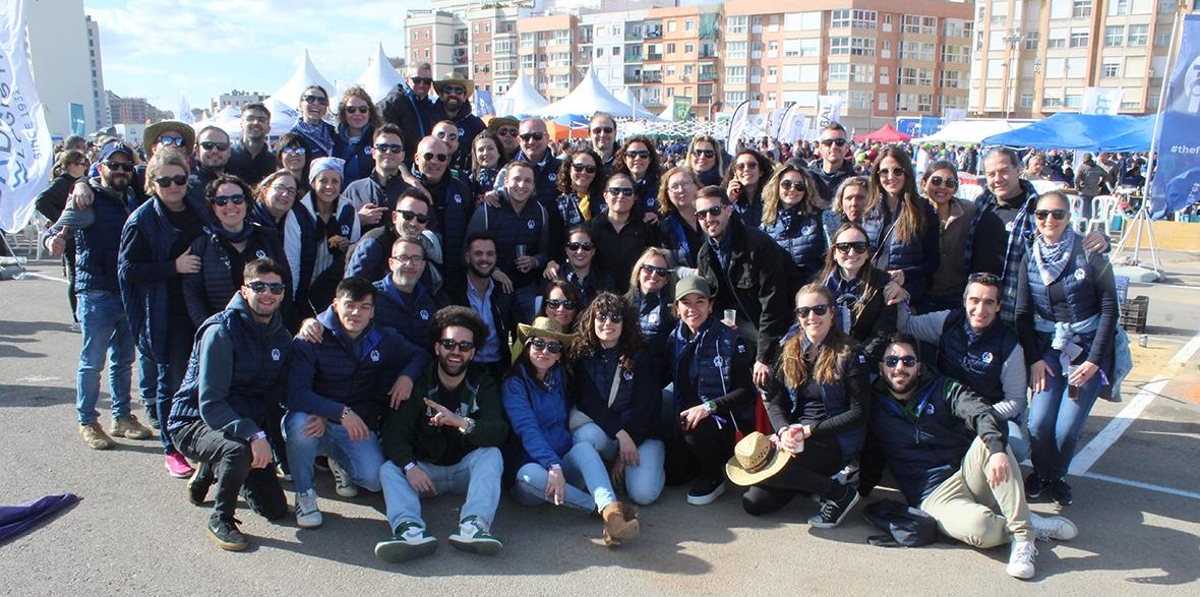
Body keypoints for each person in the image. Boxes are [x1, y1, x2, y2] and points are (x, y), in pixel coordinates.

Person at [863, 334, 1078, 580]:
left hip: (967, 473)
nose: (899, 367)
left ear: (919, 366)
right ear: (881, 367)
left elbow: (982, 412)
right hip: (933, 494)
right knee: (981, 530)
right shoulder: (874, 404)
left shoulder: (942, 386)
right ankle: (1024, 519)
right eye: (891, 361)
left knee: (989, 441)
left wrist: (997, 451)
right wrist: (856, 491)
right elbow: (870, 454)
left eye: (908, 361)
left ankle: (1023, 537)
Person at [166, 258, 292, 551]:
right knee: (236, 450)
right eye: (258, 286)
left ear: (283, 293)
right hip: (195, 421)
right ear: (244, 290)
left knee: (274, 510)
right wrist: (255, 435)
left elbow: (275, 398)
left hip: (239, 425)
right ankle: (221, 518)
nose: (267, 293)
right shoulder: (221, 332)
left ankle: (211, 468)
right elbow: (210, 404)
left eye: (275, 287)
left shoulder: (281, 336)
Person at [284, 277, 430, 528]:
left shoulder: (382, 337)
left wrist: (407, 377)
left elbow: (421, 354)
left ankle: (338, 462)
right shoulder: (313, 335)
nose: (356, 312)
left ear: (373, 310)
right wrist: (338, 411)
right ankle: (305, 493)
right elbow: (295, 393)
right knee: (300, 428)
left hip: (353, 424)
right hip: (317, 416)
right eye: (350, 304)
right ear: (336, 304)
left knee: (374, 480)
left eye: (364, 307)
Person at [376, 306, 509, 562]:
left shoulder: (483, 381)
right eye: (449, 343)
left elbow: (499, 430)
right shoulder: (419, 382)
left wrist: (463, 422)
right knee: (389, 470)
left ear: (473, 352)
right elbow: (394, 432)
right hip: (426, 473)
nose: (456, 351)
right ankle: (409, 530)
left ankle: (473, 526)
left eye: (464, 346)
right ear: (437, 347)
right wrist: (409, 466)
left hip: (464, 470)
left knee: (491, 455)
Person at [46, 142, 153, 449]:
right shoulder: (86, 199)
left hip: (126, 292)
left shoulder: (131, 196)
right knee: (92, 362)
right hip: (96, 293)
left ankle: (121, 418)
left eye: (125, 167)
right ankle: (88, 421)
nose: (120, 171)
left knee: (123, 360)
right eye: (113, 165)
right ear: (100, 167)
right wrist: (52, 240)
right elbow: (57, 231)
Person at [1016, 191, 1119, 507]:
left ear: (1069, 217)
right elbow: (1022, 313)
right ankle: (1041, 473)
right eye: (1042, 214)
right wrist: (1033, 359)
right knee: (1038, 423)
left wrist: (1095, 360)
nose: (1049, 220)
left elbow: (1109, 308)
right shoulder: (1030, 255)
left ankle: (1056, 477)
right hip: (1048, 349)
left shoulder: (1090, 252)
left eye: (1057, 214)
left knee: (1066, 428)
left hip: (1084, 350)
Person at [734, 284, 868, 527]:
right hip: (795, 435)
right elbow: (775, 401)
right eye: (804, 312)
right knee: (754, 502)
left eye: (819, 309)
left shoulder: (850, 353)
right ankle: (807, 482)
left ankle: (839, 494)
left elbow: (859, 413)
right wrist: (784, 430)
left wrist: (807, 431)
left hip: (833, 439)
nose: (811, 317)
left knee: (777, 471)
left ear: (832, 313)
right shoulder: (789, 349)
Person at [503, 317, 641, 547]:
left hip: (561, 464)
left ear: (559, 355)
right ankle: (606, 510)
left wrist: (558, 465)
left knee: (585, 449)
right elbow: (527, 429)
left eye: (553, 347)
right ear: (527, 347)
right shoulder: (514, 384)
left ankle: (612, 516)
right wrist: (552, 465)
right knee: (528, 475)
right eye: (538, 344)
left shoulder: (558, 377)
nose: (544, 351)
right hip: (534, 472)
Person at [119, 147, 207, 478]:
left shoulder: (198, 210)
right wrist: (174, 266)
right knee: (171, 383)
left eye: (180, 178)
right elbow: (128, 270)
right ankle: (172, 449)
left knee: (200, 379)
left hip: (198, 306)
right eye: (165, 180)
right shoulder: (142, 220)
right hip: (164, 312)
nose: (173, 186)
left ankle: (197, 440)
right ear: (152, 182)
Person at [900, 272, 1030, 461]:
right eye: (974, 300)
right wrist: (899, 296)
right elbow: (906, 326)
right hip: (947, 410)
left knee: (1017, 448)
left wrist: (981, 417)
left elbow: (1016, 400)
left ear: (999, 306)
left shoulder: (1009, 345)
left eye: (989, 302)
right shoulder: (949, 321)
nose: (980, 309)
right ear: (964, 301)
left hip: (988, 413)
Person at [971, 148, 1109, 324]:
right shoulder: (982, 203)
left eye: (1004, 171)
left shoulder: (1039, 208)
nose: (997, 179)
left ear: (1019, 169)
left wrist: (1101, 237)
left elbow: (1068, 236)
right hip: (978, 308)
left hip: (1015, 309)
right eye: (991, 174)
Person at [663, 276, 754, 505]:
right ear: (677, 308)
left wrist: (708, 407)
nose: (692, 309)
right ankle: (702, 460)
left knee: (696, 427)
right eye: (686, 303)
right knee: (673, 476)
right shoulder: (674, 338)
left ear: (711, 306)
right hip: (688, 418)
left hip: (723, 420)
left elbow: (746, 391)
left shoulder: (730, 339)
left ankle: (714, 474)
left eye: (699, 302)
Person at [569, 292, 665, 506]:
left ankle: (647, 466)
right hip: (610, 431)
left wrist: (624, 454)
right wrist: (621, 436)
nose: (608, 323)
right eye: (601, 317)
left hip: (641, 434)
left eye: (615, 318)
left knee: (643, 494)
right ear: (592, 320)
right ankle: (601, 477)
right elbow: (589, 402)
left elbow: (647, 410)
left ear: (625, 322)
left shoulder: (640, 355)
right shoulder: (583, 355)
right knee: (585, 436)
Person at [695, 186, 792, 389]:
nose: (709, 218)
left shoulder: (758, 244)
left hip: (772, 328)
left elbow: (774, 303)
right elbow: (713, 299)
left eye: (715, 210)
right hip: (736, 326)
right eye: (702, 214)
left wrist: (764, 357)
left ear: (728, 210)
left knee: (770, 384)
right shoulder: (705, 254)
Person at [182, 175, 286, 328]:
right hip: (222, 333)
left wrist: (276, 326)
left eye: (237, 199)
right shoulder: (201, 246)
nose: (230, 205)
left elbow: (285, 284)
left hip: (266, 331)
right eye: (222, 201)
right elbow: (193, 296)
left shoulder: (267, 238)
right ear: (213, 207)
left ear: (246, 203)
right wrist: (210, 329)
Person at [466, 161, 550, 321]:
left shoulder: (540, 212)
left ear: (533, 185)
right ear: (505, 182)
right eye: (516, 179)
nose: (521, 185)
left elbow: (545, 252)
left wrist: (534, 261)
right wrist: (493, 271)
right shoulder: (487, 210)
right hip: (493, 288)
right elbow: (468, 251)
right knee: (494, 338)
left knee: (530, 337)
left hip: (527, 288)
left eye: (528, 181)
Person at [922, 161, 1006, 312]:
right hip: (920, 293)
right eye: (936, 181)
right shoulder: (913, 212)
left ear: (955, 188)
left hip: (957, 294)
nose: (942, 187)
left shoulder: (969, 211)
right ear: (924, 184)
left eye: (950, 183)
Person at [867, 147, 939, 312]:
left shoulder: (923, 209)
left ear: (907, 173)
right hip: (872, 293)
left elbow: (933, 262)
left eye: (897, 171)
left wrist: (905, 274)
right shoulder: (869, 209)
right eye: (884, 172)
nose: (890, 177)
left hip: (907, 297)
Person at [290, 157, 360, 317]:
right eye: (323, 180)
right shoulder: (298, 213)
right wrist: (292, 300)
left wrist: (347, 248)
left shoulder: (349, 211)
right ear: (313, 183)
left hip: (334, 294)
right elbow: (292, 261)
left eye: (335, 181)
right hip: (303, 292)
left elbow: (355, 255)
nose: (329, 186)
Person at [820, 223, 897, 364]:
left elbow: (883, 332)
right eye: (844, 247)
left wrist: (857, 359)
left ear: (867, 253)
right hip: (825, 358)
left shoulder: (883, 283)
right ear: (834, 253)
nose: (852, 253)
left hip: (864, 361)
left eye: (859, 247)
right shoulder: (818, 284)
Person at [453, 232, 519, 382]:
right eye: (478, 254)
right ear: (467, 257)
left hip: (498, 366)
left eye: (490, 254)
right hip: (463, 367)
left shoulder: (504, 290)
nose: (484, 259)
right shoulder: (453, 291)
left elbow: (518, 330)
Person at [412, 136, 475, 291]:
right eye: (428, 156)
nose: (434, 162)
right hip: (416, 275)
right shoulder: (404, 189)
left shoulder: (462, 189)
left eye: (441, 157)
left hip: (454, 275)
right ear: (417, 158)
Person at [346, 188, 440, 290]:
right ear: (394, 217)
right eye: (408, 215)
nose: (413, 223)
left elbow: (425, 289)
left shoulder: (419, 245)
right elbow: (352, 290)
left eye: (421, 219)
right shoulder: (374, 243)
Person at [37, 149, 90, 329]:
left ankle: (80, 314)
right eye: (82, 164)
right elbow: (41, 201)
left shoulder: (76, 183)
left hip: (75, 234)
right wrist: (62, 219)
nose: (85, 167)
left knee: (78, 274)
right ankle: (77, 316)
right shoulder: (63, 183)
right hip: (67, 235)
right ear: (72, 166)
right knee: (75, 276)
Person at [589, 172, 662, 294]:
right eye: (615, 191)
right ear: (605, 196)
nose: (621, 195)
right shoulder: (591, 228)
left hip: (637, 295)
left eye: (627, 192)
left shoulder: (648, 227)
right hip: (599, 296)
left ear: (634, 198)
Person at [760, 163, 826, 287]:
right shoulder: (767, 224)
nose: (792, 189)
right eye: (787, 184)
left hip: (812, 292)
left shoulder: (819, 218)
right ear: (777, 187)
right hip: (781, 293)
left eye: (799, 186)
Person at [341, 123, 414, 234]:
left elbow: (428, 232)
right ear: (373, 152)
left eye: (395, 149)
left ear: (403, 155)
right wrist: (358, 220)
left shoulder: (412, 194)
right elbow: (334, 233)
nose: (388, 152)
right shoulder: (354, 190)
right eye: (383, 148)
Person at [371, 236, 442, 348]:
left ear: (423, 266)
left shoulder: (428, 301)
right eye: (403, 258)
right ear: (391, 263)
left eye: (416, 259)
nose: (409, 264)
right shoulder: (371, 296)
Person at [378, 61, 438, 165]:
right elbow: (387, 140)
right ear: (406, 79)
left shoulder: (430, 106)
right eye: (417, 80)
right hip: (401, 166)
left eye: (427, 81)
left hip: (427, 164)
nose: (422, 85)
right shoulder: (393, 103)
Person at [494, 118, 561, 208]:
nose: (531, 141)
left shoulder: (562, 167)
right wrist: (492, 196)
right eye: (525, 137)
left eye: (537, 136)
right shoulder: (507, 170)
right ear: (519, 140)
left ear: (547, 137)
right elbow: (496, 196)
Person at [542, 225, 615, 306]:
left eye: (586, 246)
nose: (580, 251)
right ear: (566, 250)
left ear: (593, 251)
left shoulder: (606, 281)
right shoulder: (553, 277)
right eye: (574, 246)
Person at [624, 248, 676, 360]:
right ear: (638, 272)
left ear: (666, 279)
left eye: (661, 272)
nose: (654, 275)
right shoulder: (622, 304)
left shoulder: (672, 308)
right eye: (649, 269)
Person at [432, 72, 485, 172]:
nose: (453, 94)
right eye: (448, 90)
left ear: (465, 97)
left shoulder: (476, 125)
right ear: (441, 95)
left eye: (459, 91)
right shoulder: (428, 118)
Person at [656, 167, 703, 277]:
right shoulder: (665, 226)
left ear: (696, 186)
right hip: (691, 285)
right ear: (667, 193)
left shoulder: (712, 213)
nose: (681, 190)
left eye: (686, 183)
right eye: (674, 187)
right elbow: (669, 267)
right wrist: (695, 273)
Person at [334, 86, 381, 187]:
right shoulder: (334, 140)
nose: (357, 114)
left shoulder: (379, 139)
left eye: (363, 110)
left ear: (370, 112)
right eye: (351, 110)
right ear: (344, 112)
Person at [553, 148, 605, 233]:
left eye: (590, 169)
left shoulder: (605, 200)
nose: (584, 172)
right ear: (569, 169)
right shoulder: (558, 202)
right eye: (578, 167)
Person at [612, 136, 662, 222]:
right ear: (624, 159)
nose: (638, 158)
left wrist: (660, 218)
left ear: (650, 159)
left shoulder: (661, 186)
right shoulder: (614, 184)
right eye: (632, 154)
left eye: (643, 155)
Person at [225, 102, 275, 186]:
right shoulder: (227, 156)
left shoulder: (274, 161)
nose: (256, 122)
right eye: (250, 118)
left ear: (268, 128)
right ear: (241, 125)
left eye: (261, 120)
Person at [807, 122, 856, 207]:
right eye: (828, 142)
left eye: (839, 142)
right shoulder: (807, 178)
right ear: (820, 148)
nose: (834, 147)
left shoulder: (855, 180)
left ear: (847, 147)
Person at [822, 176, 877, 247]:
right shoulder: (829, 225)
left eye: (860, 198)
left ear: (871, 199)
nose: (853, 203)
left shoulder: (880, 227)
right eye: (849, 198)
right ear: (840, 203)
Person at [722, 149, 772, 226]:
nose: (746, 169)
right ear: (735, 172)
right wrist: (728, 201)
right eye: (740, 166)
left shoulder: (772, 198)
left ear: (760, 172)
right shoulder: (727, 198)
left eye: (752, 165)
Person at [187, 126, 233, 209]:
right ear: (197, 151)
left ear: (229, 152)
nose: (215, 151)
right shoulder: (187, 186)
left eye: (221, 146)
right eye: (208, 145)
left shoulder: (238, 183)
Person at [290, 85, 337, 159]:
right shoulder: (293, 137)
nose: (316, 103)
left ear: (326, 107)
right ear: (300, 105)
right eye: (310, 99)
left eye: (322, 101)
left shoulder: (334, 132)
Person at [469, 131, 507, 201]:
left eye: (490, 148)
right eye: (481, 150)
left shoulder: (510, 175)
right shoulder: (469, 180)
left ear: (499, 152)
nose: (485, 153)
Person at [1074, 153, 1113, 220]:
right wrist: (1101, 183)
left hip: (1084, 192)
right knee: (1094, 211)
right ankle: (1091, 225)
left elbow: (1076, 179)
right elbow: (1107, 176)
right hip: (1095, 192)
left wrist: (1077, 187)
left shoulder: (1082, 167)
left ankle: (1082, 227)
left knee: (1083, 212)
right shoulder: (1097, 168)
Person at [275, 133, 313, 199]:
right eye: (288, 150)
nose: (294, 154)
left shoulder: (313, 185)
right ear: (280, 156)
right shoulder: (273, 184)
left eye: (300, 150)